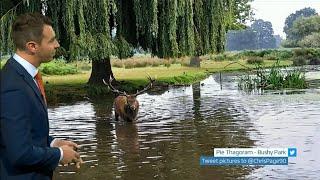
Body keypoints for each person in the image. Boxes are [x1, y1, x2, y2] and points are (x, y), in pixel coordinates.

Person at [0, 12, 83, 180]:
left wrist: (52, 143)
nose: (57, 45)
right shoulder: (13, 87)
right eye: (51, 40)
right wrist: (59, 154)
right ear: (32, 46)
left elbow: (20, 133)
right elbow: (19, 153)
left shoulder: (21, 75)